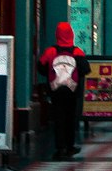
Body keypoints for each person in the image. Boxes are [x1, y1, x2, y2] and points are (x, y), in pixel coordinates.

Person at [39, 22, 91, 159]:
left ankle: (60, 148)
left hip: (55, 90)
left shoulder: (51, 51)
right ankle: (70, 146)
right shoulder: (77, 52)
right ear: (71, 34)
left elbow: (40, 67)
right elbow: (86, 69)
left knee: (58, 118)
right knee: (71, 118)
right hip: (72, 91)